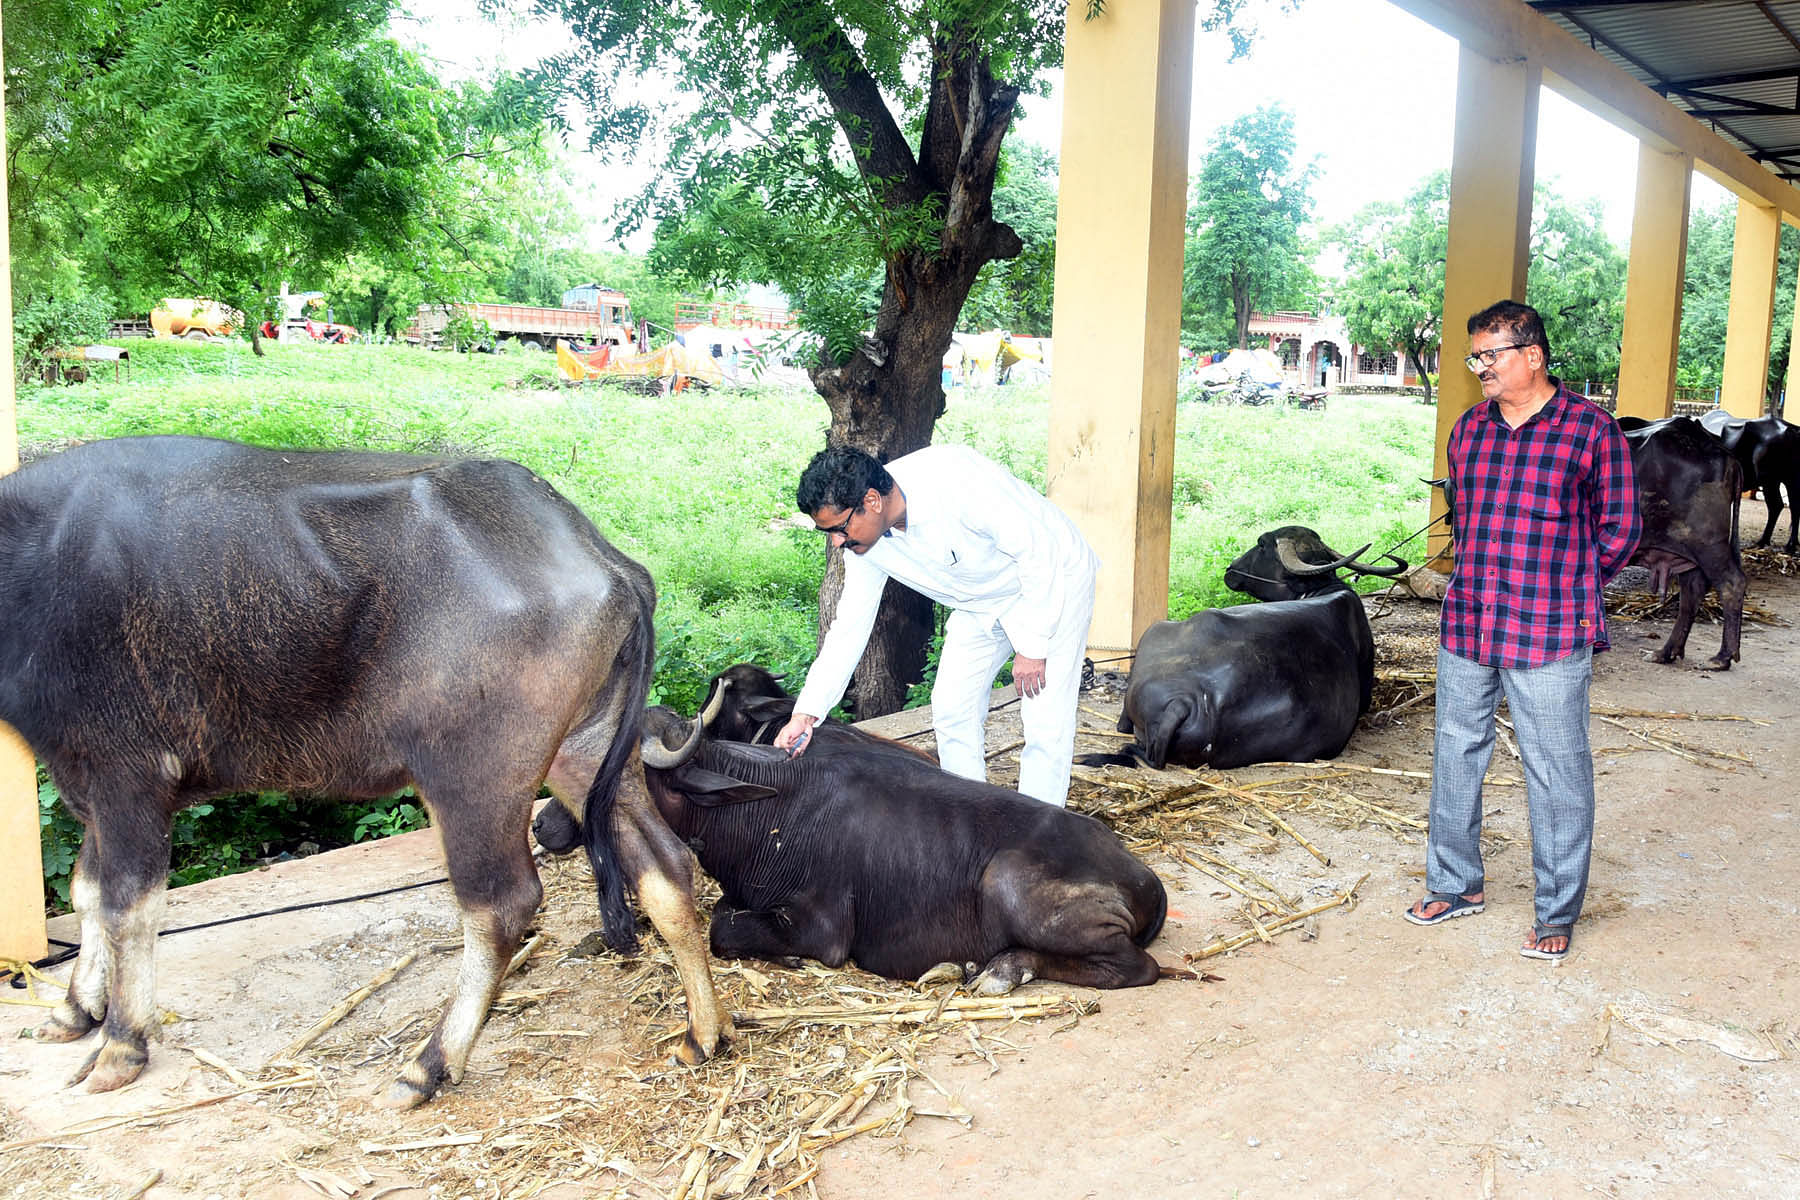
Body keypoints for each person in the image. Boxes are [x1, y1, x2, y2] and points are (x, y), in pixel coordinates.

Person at [1405, 299, 1641, 962]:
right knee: (1455, 753)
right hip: (1470, 621)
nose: (1479, 366)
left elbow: (1621, 528)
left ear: (1532, 355)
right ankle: (1455, 885)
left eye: (1490, 354)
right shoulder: (1468, 431)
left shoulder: (1590, 431)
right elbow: (1465, 520)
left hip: (1549, 629)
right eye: (1474, 355)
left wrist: (1566, 586)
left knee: (1556, 767)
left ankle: (1556, 909)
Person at [773, 444, 1099, 807]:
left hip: (1052, 580)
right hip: (978, 599)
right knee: (951, 707)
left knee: (1044, 716)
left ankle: (1040, 832)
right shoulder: (865, 544)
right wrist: (806, 713)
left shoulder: (957, 481)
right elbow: (849, 627)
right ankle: (971, 817)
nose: (836, 542)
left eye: (839, 528)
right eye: (828, 533)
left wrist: (1034, 646)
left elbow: (1039, 553)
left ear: (872, 501)